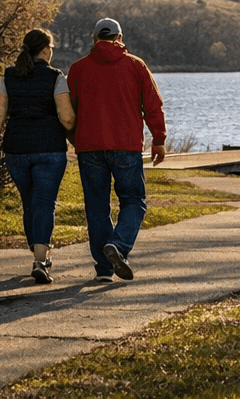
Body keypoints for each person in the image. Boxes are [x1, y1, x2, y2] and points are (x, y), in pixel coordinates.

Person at [68, 17, 166, 283]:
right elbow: (153, 105)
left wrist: (75, 139)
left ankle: (103, 269)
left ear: (94, 39)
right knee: (134, 201)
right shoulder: (136, 65)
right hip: (126, 147)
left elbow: (67, 112)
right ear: (120, 38)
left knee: (97, 207)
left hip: (89, 148)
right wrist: (159, 138)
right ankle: (119, 246)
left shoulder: (78, 69)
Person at [0, 28, 76, 284]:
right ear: (46, 50)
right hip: (50, 149)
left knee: (29, 202)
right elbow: (67, 118)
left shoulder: (9, 76)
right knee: (44, 202)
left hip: (17, 149)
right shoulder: (56, 77)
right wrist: (78, 135)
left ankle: (37, 251)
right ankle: (40, 259)